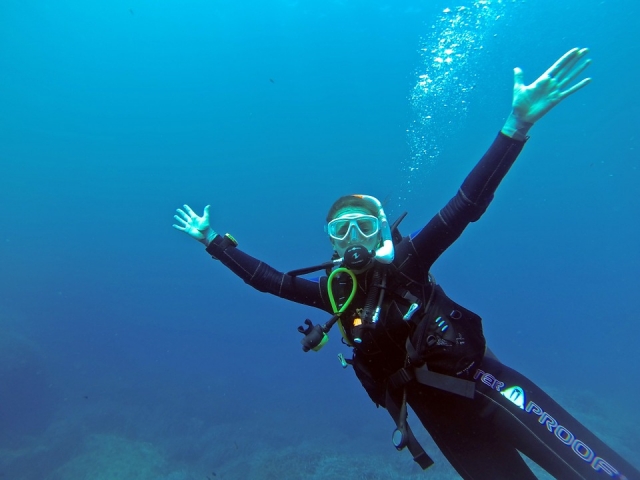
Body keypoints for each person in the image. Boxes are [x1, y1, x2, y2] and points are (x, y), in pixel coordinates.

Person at [173, 48, 640, 479]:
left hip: (487, 389)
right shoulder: (333, 294)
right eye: (341, 230)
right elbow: (269, 282)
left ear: (382, 233)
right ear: (330, 243)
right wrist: (213, 240)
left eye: (363, 226)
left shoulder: (409, 263)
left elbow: (466, 205)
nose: (353, 239)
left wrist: (514, 129)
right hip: (440, 419)